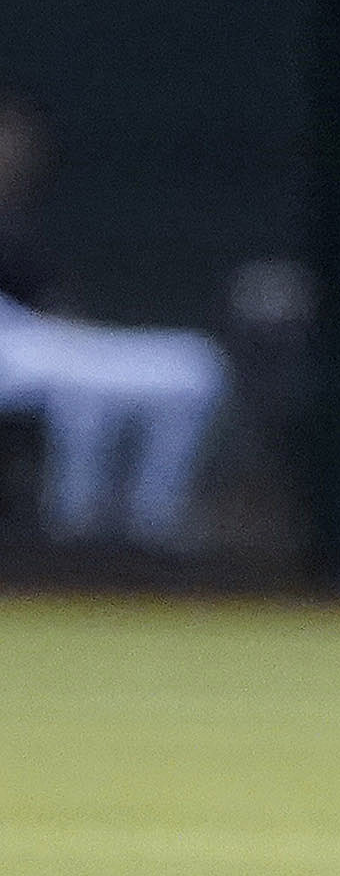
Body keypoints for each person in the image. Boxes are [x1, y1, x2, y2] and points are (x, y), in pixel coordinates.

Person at [0, 95, 229, 550]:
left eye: (19, 140)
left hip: (37, 346)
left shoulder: (20, 225)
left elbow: (51, 310)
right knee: (83, 393)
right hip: (17, 353)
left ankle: (153, 522)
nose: (14, 151)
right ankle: (73, 534)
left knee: (195, 365)